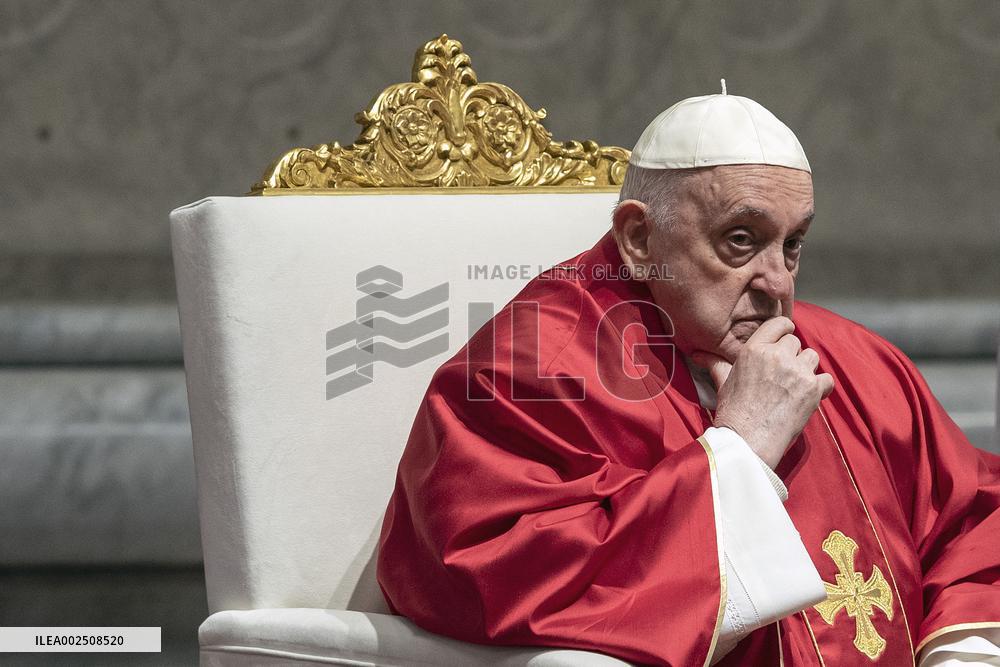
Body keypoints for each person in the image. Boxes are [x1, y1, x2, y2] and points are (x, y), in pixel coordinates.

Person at [376, 88, 1000, 665]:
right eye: (740, 240)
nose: (777, 283)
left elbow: (972, 521)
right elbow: (492, 576)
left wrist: (962, 654)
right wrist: (741, 449)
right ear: (639, 238)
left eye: (792, 244)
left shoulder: (857, 363)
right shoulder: (528, 372)